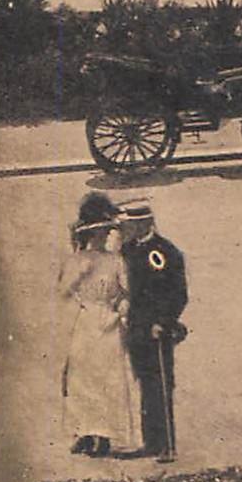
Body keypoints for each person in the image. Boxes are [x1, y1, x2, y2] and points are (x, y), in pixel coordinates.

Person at [59, 193, 138, 458]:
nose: (103, 237)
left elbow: (126, 293)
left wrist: (121, 313)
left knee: (106, 379)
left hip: (108, 320)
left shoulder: (115, 261)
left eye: (105, 232)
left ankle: (103, 435)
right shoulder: (77, 260)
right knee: (82, 378)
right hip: (85, 320)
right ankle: (84, 431)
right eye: (99, 233)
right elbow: (63, 292)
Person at [118, 203, 187, 462]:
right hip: (136, 328)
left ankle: (168, 446)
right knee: (146, 384)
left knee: (161, 385)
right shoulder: (129, 250)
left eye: (132, 225)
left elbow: (176, 293)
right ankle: (151, 442)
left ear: (145, 224)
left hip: (158, 330)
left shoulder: (162, 252)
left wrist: (163, 321)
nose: (127, 229)